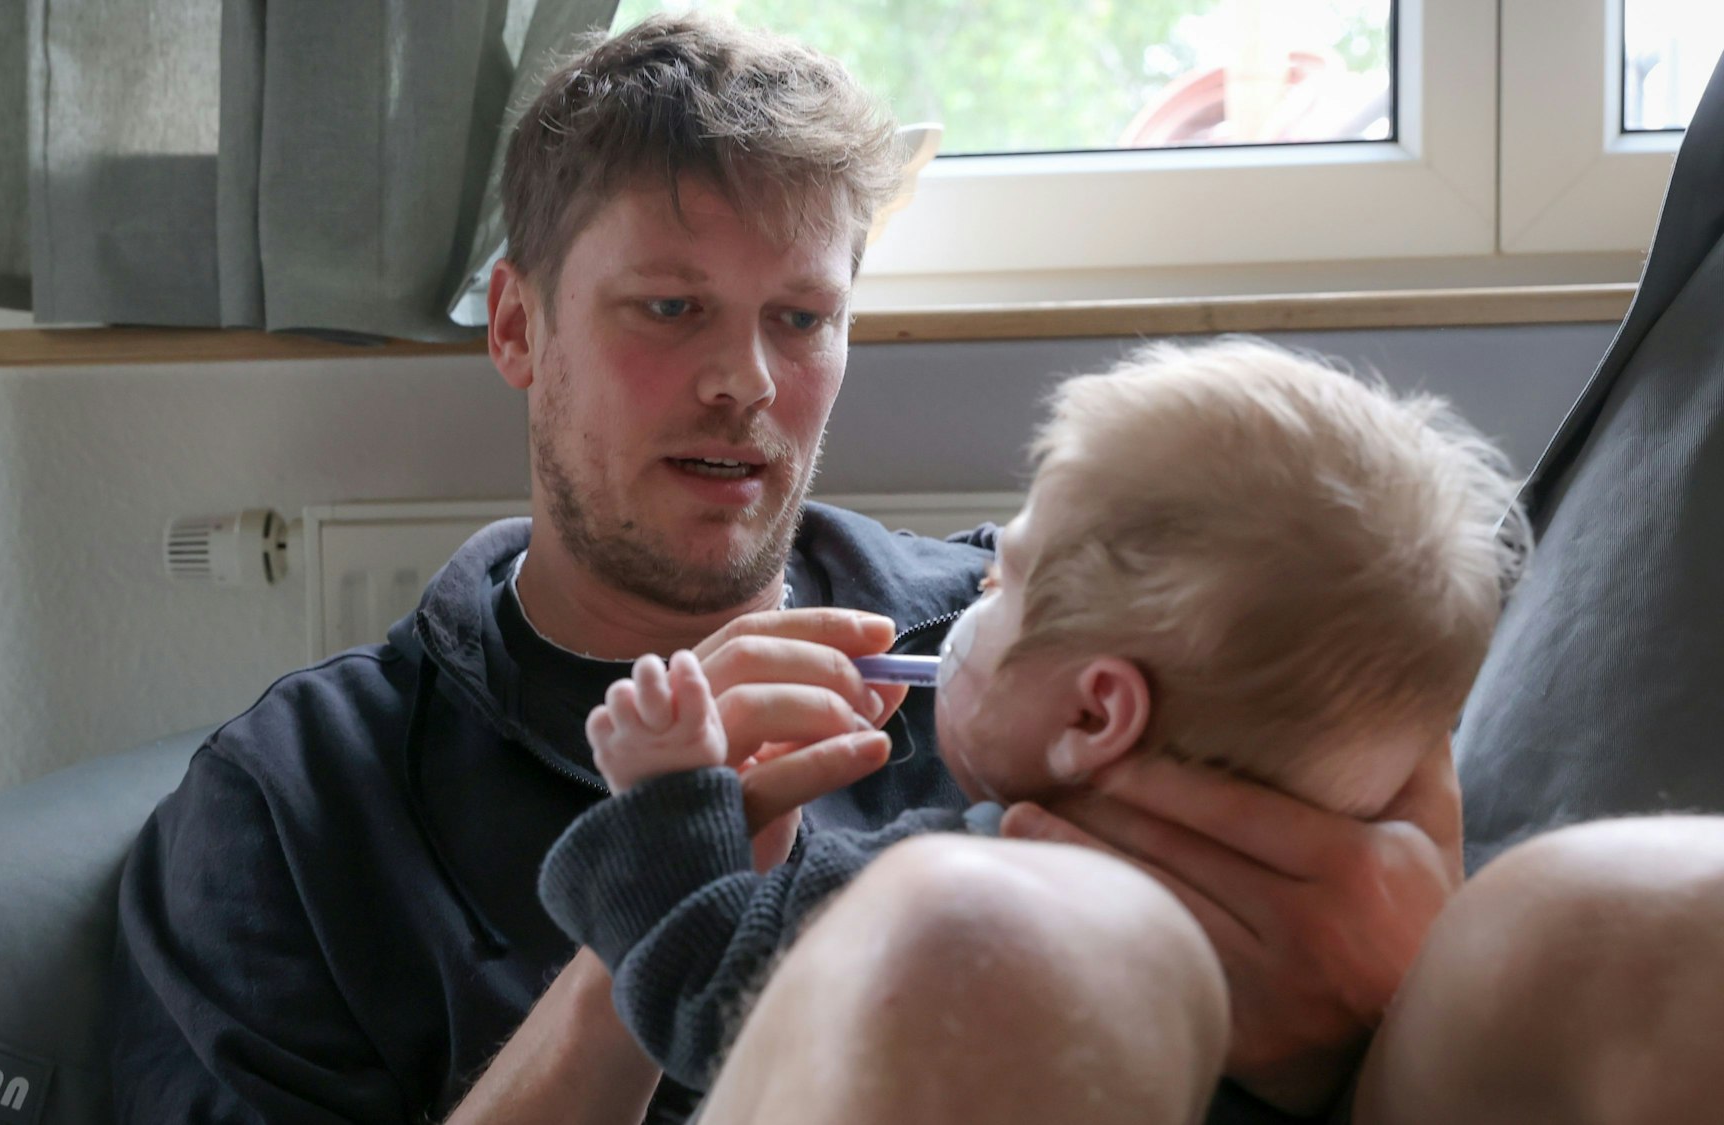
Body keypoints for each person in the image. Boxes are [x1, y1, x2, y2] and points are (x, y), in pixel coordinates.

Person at [108, 15, 1467, 1125]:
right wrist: (639, 947)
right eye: (671, 307)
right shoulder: (298, 800)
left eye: (802, 318)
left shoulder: (1051, 649)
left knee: (1625, 919)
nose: (744, 384)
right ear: (519, 327)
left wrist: (1399, 973)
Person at [538, 338, 1526, 1104]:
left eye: (1000, 579)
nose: (969, 588)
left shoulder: (968, 898)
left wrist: (668, 801)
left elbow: (706, 994)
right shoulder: (1338, 976)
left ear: (1095, 712)